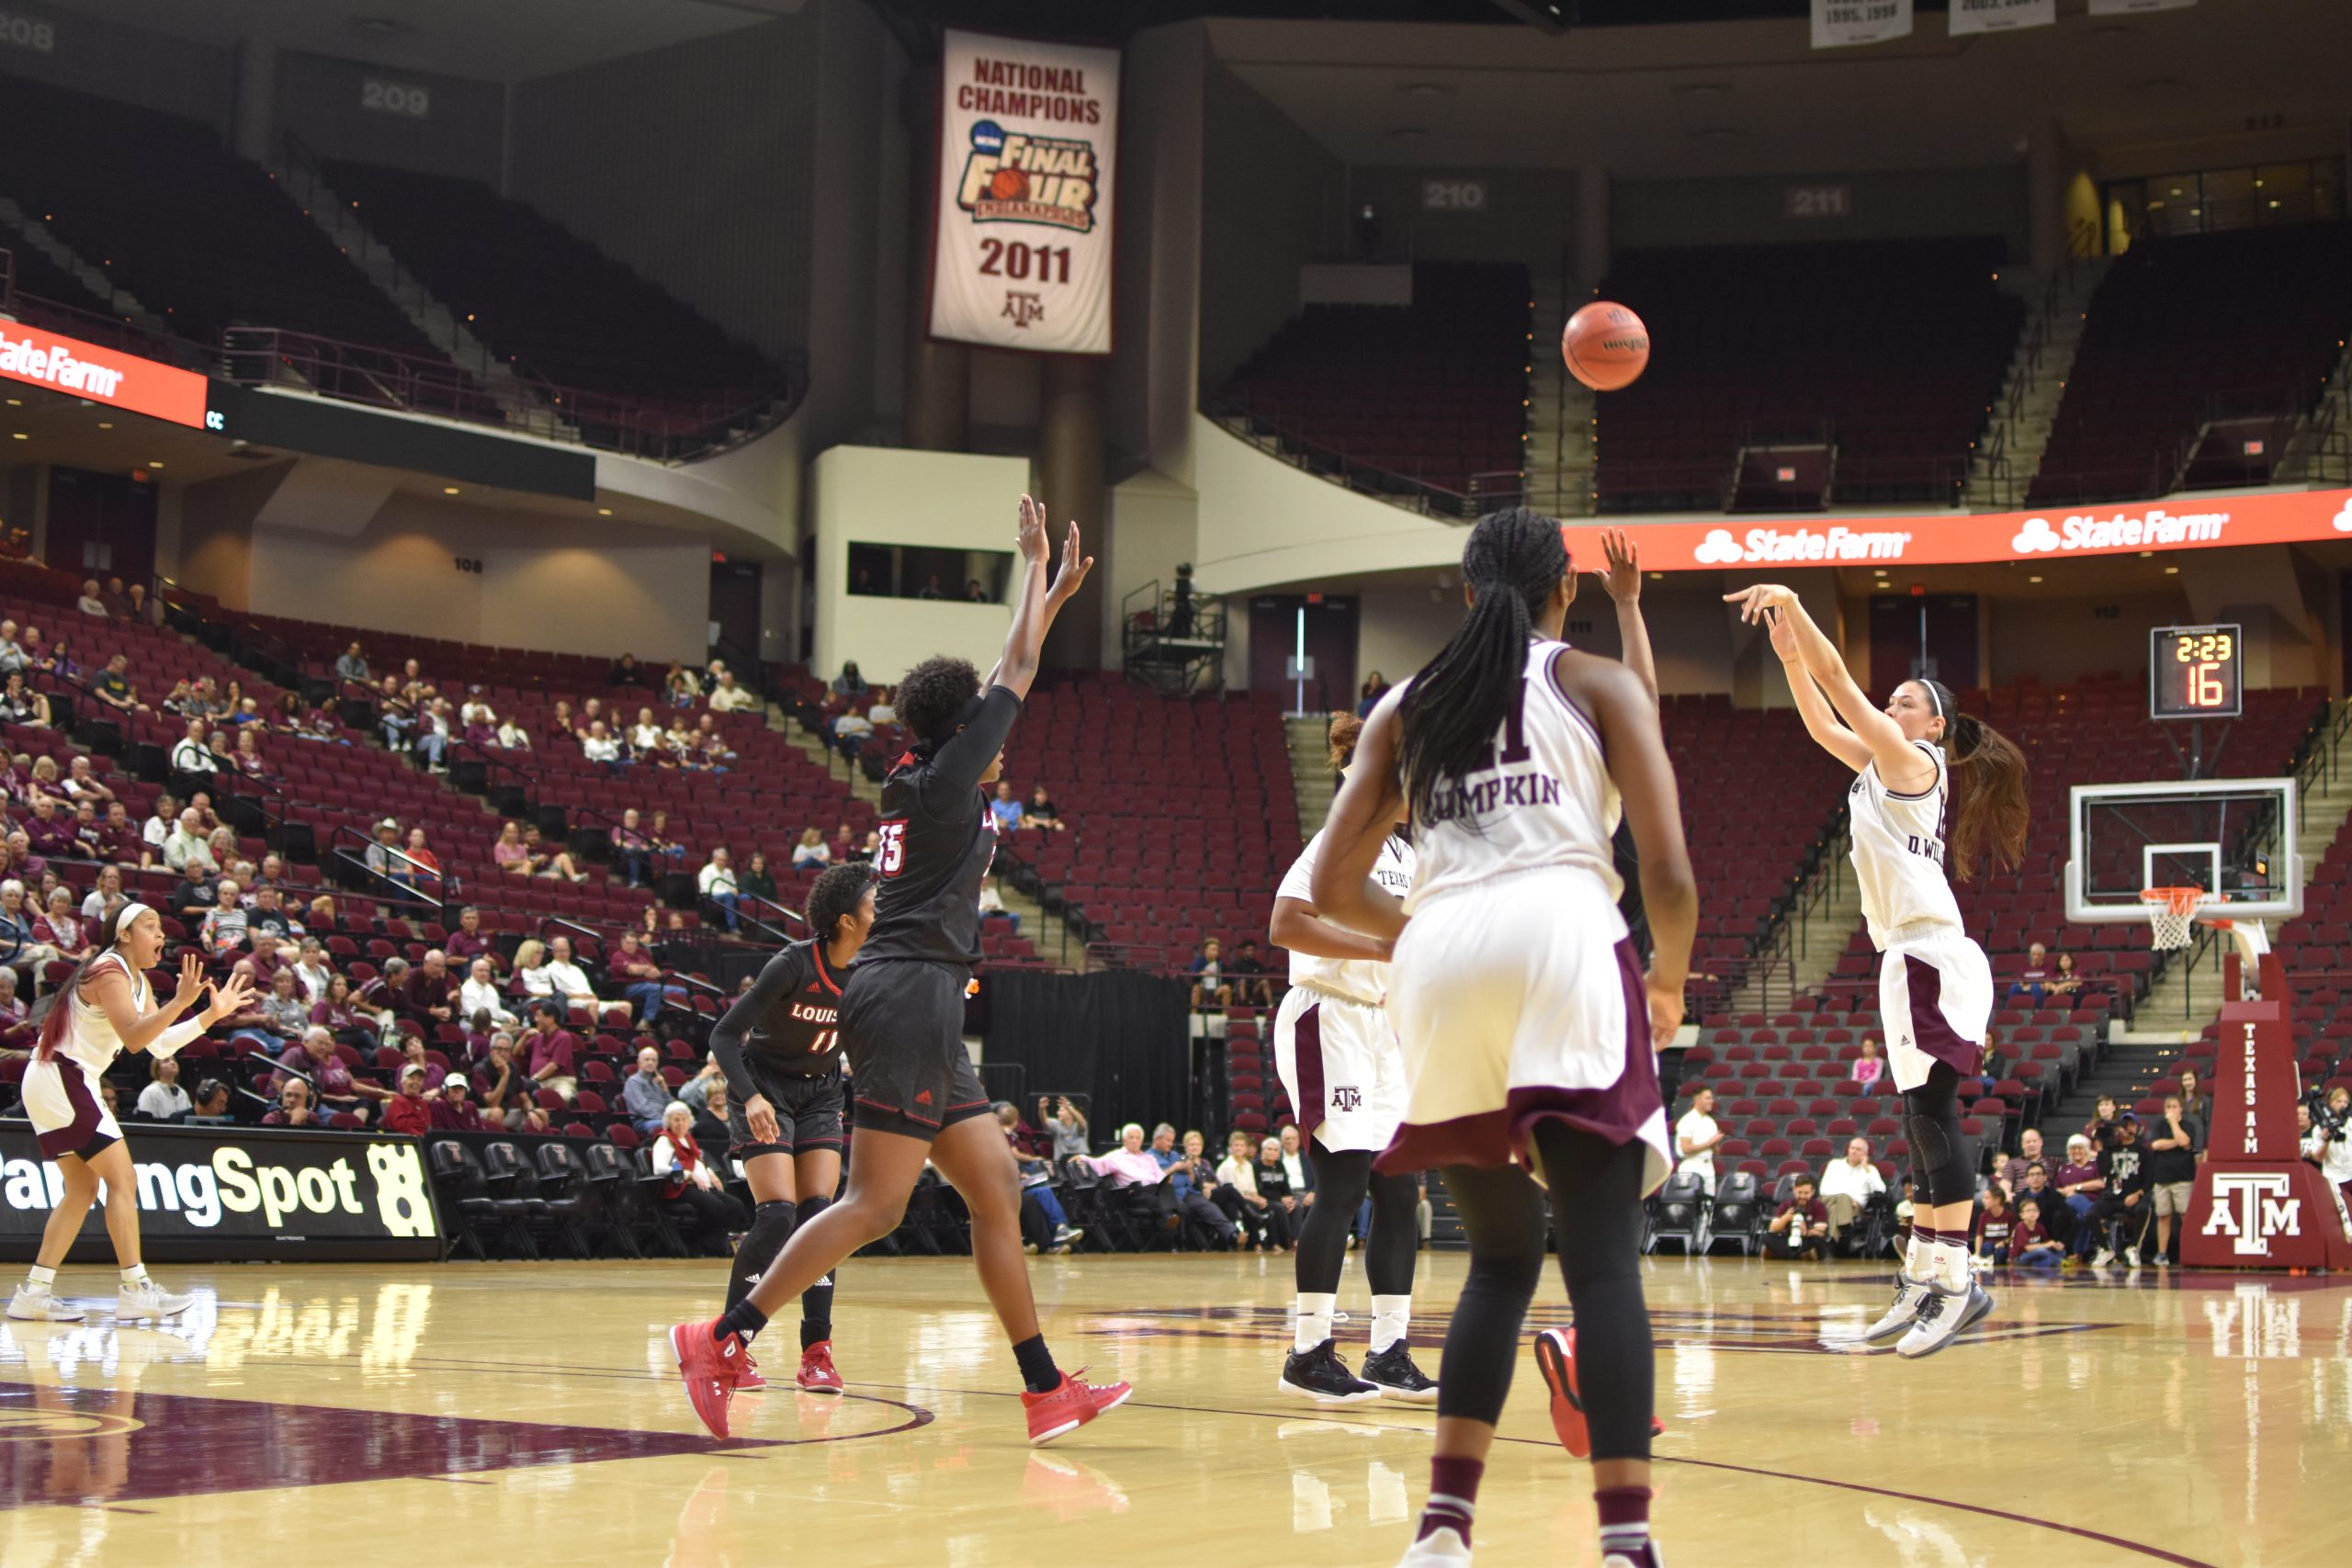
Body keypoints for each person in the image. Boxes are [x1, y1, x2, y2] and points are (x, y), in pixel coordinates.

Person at [669, 495, 1125, 1446]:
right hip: (910, 991)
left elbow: (1007, 669)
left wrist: (1050, 596)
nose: (1003, 742)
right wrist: (1034, 572)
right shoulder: (949, 782)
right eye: (988, 729)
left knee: (995, 1186)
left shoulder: (918, 775)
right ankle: (722, 1340)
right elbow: (1021, 669)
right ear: (965, 735)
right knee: (873, 1206)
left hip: (916, 994)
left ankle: (1044, 1390)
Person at [1312, 516, 1690, 1568]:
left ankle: (1443, 1531)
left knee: (1497, 1259)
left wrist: (1424, 929)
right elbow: (1665, 871)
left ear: (1466, 592)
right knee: (1603, 1265)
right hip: (1560, 928)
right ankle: (1623, 1544)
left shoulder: (1402, 704)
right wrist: (1667, 974)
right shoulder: (1598, 682)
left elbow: (1334, 885)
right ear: (1560, 592)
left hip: (1436, 961)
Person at [1730, 580, 2029, 1360]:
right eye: (1890, 702)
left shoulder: (1914, 761)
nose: (1889, 709)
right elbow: (1820, 718)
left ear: (1934, 724)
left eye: (1903, 701)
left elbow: (1841, 688)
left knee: (1934, 1118)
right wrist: (1789, 652)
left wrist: (1795, 606)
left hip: (1930, 949)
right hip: (1907, 952)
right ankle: (1926, 1276)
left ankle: (1958, 1283)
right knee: (1917, 1123)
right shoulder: (1879, 765)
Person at [1267, 710, 1434, 1404]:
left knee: (1401, 1188)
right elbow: (1283, 924)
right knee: (1342, 1186)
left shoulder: (1413, 855)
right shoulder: (1338, 843)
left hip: (1384, 1027)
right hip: (1326, 1012)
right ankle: (1308, 1350)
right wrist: (1378, 947)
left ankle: (1389, 1349)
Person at [7, 906, 255, 1323]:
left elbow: (159, 1046)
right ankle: (135, 1288)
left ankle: (34, 1293)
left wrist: (210, 1013)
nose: (161, 934)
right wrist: (181, 1000)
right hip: (62, 1076)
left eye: (162, 927)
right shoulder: (108, 970)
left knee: (82, 1190)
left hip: (59, 1079)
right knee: (123, 1178)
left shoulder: (137, 982)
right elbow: (135, 1039)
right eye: (151, 927)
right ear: (124, 934)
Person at [651, 1102, 747, 1257]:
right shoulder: (664, 1140)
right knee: (716, 1208)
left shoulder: (688, 1138)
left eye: (684, 1119)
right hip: (680, 1188)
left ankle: (713, 1246)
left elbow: (697, 1160)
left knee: (735, 1206)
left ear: (689, 1121)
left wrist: (710, 1172)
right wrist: (688, 1174)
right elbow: (659, 1168)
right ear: (669, 1122)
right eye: (676, 1120)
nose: (680, 1123)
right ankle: (691, 1242)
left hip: (700, 1185)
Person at [2144, 1092, 2203, 1266]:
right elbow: (2155, 1145)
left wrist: (2173, 1125)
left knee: (2185, 1215)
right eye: (2168, 1107)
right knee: (2163, 1216)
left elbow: (2185, 1141)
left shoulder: (2189, 1125)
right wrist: (2175, 1141)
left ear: (2180, 1109)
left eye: (2174, 1107)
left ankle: (2191, 1251)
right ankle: (2162, 1254)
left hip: (2183, 1178)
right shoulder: (2157, 1125)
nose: (2171, 1110)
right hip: (2161, 1178)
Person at [2087, 1112, 2152, 1266]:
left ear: (2137, 1128)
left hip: (2134, 1195)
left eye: (2131, 1125)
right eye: (2124, 1125)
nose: (2127, 1129)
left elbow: (2149, 1180)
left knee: (2143, 1209)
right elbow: (2103, 1171)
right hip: (2112, 1196)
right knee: (2091, 1215)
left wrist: (2138, 1194)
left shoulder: (2144, 1152)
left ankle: (2134, 1247)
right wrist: (2101, 1148)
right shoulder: (2111, 1150)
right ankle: (2105, 1249)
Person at [1217, 1127, 1288, 1250]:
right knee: (1252, 1206)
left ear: (1246, 1148)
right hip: (1233, 1201)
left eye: (1242, 1145)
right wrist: (1255, 1200)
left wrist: (1259, 1198)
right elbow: (1233, 1193)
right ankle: (1257, 1244)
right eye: (1236, 1145)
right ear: (1231, 1147)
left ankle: (1275, 1244)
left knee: (1268, 1206)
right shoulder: (1227, 1166)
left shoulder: (1248, 1165)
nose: (1239, 1148)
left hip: (1248, 1197)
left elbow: (1253, 1188)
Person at [1817, 1136, 1886, 1247]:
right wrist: (1846, 1200)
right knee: (1844, 1198)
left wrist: (1866, 1168)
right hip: (1829, 1200)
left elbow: (1881, 1190)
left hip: (1855, 1208)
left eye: (1858, 1149)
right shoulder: (1834, 1164)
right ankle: (1847, 1231)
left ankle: (1831, 1243)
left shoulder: (1870, 1170)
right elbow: (1823, 1189)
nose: (1854, 1151)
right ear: (1848, 1149)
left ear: (1865, 1154)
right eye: (1852, 1148)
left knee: (1836, 1209)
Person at [1672, 1086, 1724, 1196]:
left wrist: (1715, 1144)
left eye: (1711, 1098)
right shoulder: (1687, 1120)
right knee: (1691, 1203)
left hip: (1708, 1167)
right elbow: (1685, 1148)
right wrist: (1709, 1143)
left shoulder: (1710, 1122)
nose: (1712, 1101)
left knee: (1709, 1204)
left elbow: (1716, 1152)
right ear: (1697, 1099)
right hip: (1692, 1166)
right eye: (1708, 1098)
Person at [1767, 1175, 1831, 1262]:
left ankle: (1784, 1255)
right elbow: (1772, 1229)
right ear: (1794, 1190)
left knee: (1818, 1241)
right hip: (1789, 1240)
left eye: (1806, 1193)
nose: (1803, 1196)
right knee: (1767, 1237)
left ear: (1812, 1192)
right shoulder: (1786, 1205)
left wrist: (1807, 1232)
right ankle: (1800, 1255)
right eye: (1800, 1192)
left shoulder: (1818, 1206)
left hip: (1807, 1240)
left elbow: (1820, 1232)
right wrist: (1785, 1218)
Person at [623, 1044, 673, 1135]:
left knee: (693, 1125)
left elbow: (670, 1106)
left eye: (654, 1060)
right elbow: (642, 1108)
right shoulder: (633, 1081)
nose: (650, 1063)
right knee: (674, 1126)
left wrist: (665, 1089)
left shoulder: (657, 1082)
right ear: (639, 1062)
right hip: (643, 1121)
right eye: (647, 1059)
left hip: (661, 1119)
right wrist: (666, 1119)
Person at [2008, 1199, 2064, 1268]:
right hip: (2019, 1257)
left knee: (2061, 1251)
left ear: (2039, 1213)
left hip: (2034, 1254)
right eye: (2028, 1211)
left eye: (2035, 1210)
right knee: (2042, 1251)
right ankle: (2060, 1262)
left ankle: (2040, 1264)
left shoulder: (2039, 1226)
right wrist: (2048, 1244)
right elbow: (2028, 1248)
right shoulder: (2020, 1227)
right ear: (2022, 1215)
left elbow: (2045, 1242)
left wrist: (2055, 1245)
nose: (2032, 1213)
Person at [700, 847, 742, 932]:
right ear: (714, 859)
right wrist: (727, 892)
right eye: (720, 860)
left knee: (746, 897)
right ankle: (733, 927)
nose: (722, 862)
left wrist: (735, 889)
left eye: (724, 860)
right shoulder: (707, 870)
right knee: (729, 896)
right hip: (712, 898)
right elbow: (706, 889)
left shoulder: (728, 871)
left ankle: (747, 925)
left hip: (728, 896)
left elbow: (733, 884)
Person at [136, 1055, 191, 1121]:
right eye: (166, 1061)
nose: (172, 1063)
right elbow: (146, 1121)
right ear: (158, 1070)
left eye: (173, 1060)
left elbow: (189, 1118)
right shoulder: (150, 1092)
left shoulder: (182, 1093)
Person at [382, 1065, 434, 1135]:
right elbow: (401, 1127)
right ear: (403, 1082)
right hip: (408, 1141)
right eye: (412, 1078)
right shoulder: (398, 1102)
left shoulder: (423, 1104)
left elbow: (428, 1127)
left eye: (419, 1080)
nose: (416, 1082)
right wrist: (422, 1138)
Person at [1189, 938, 1231, 1010]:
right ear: (1206, 951)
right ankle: (1193, 1013)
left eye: (1217, 950)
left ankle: (1225, 1016)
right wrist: (1201, 973)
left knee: (1226, 988)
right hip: (1204, 989)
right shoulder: (1199, 961)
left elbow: (1228, 974)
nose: (1216, 952)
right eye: (1213, 950)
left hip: (1216, 989)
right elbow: (1193, 974)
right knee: (1196, 988)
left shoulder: (1220, 963)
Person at [2006, 941, 2052, 1005]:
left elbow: (2048, 983)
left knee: (2036, 986)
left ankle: (2038, 1010)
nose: (2036, 957)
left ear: (2043, 956)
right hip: (2025, 989)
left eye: (2039, 955)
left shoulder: (2049, 968)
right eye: (2033, 954)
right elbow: (2020, 981)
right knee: (2014, 987)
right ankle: (2010, 1008)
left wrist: (2031, 986)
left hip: (2040, 990)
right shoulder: (2024, 968)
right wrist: (2025, 986)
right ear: (2030, 955)